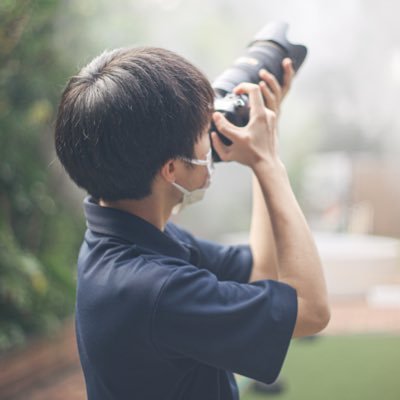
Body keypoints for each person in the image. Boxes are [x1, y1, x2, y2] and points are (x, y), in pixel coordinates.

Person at [54, 46, 330, 400]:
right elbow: (311, 310)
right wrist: (269, 162)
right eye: (204, 131)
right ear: (171, 169)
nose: (211, 139)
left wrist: (263, 153)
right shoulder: (158, 290)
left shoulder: (124, 239)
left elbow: (262, 268)